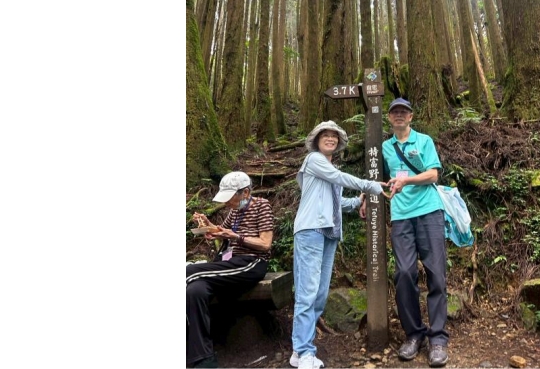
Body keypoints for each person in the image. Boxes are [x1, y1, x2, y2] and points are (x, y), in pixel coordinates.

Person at [290, 120, 389, 369]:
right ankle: (304, 351)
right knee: (307, 293)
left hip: (329, 233)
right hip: (310, 231)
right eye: (325, 135)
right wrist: (370, 185)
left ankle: (300, 349)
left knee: (320, 295)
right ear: (317, 140)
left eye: (334, 136)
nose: (330, 138)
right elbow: (339, 178)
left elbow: (335, 204)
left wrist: (357, 201)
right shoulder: (314, 160)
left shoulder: (329, 168)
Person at [363, 97, 450, 367]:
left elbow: (433, 174)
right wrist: (366, 196)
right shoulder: (385, 148)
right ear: (389, 118)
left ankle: (438, 339)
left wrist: (407, 180)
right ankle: (414, 334)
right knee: (403, 274)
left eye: (404, 112)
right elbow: (380, 178)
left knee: (436, 274)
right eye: (395, 112)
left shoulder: (423, 141)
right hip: (401, 216)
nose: (399, 115)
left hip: (429, 212)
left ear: (411, 116)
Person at [186, 171, 274, 368]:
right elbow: (222, 231)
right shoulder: (235, 210)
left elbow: (265, 244)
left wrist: (236, 237)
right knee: (195, 290)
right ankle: (203, 358)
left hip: (251, 263)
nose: (226, 203)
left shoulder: (262, 206)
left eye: (230, 197)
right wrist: (208, 226)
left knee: (189, 272)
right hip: (228, 263)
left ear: (245, 192)